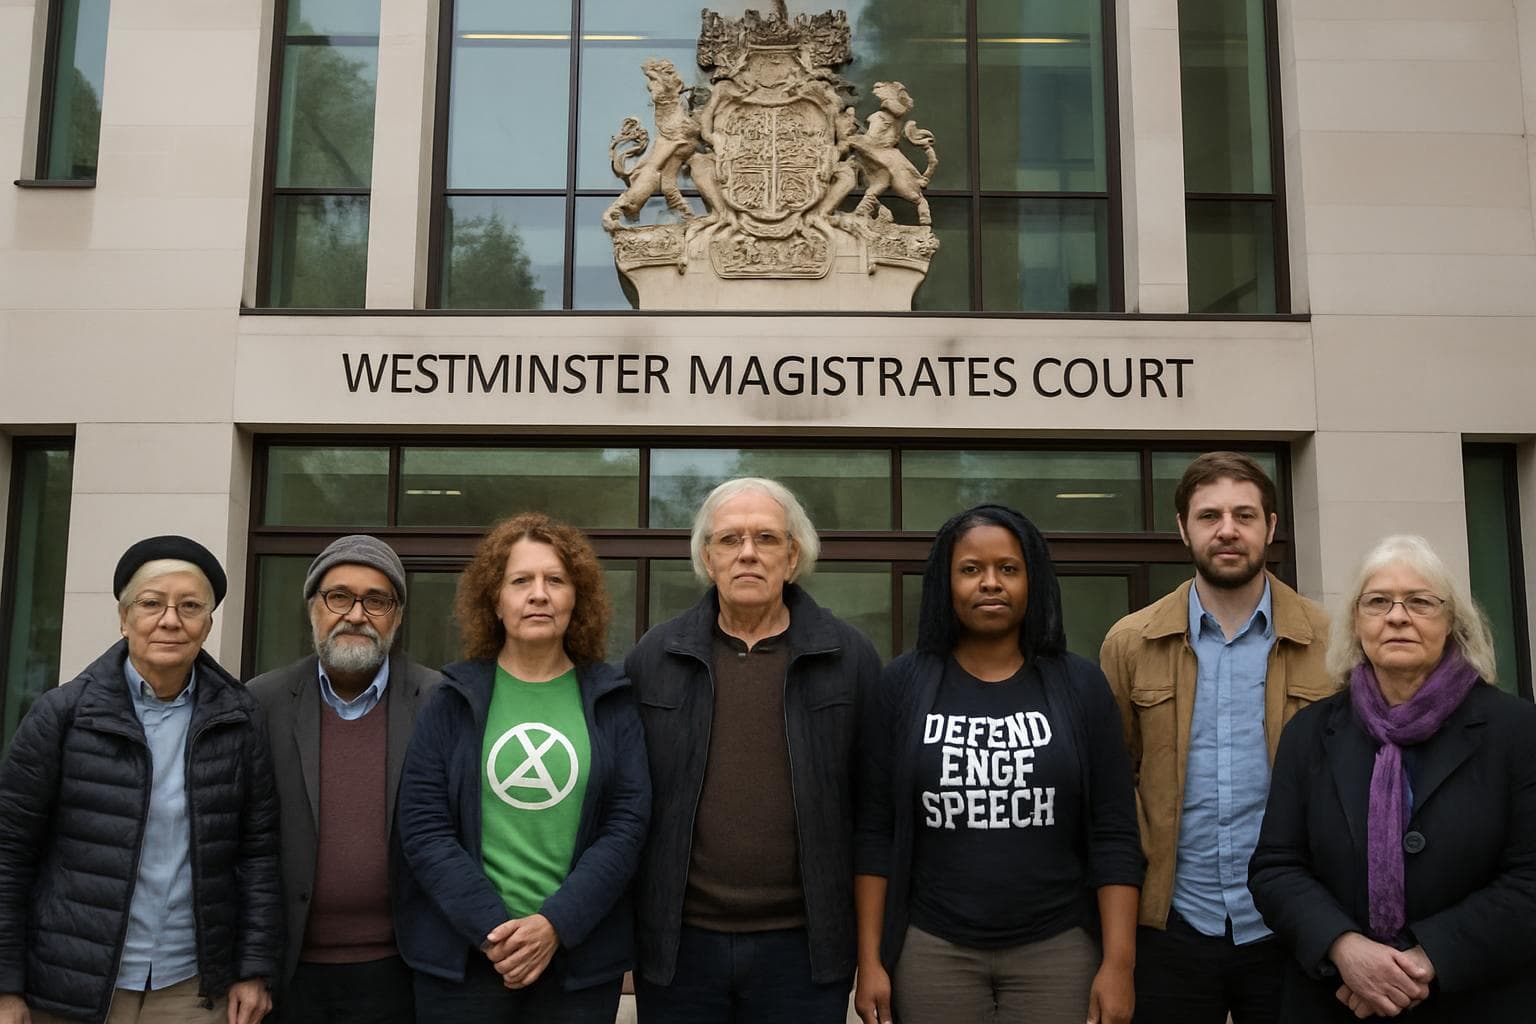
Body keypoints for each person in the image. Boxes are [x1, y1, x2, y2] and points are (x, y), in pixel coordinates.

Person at [853, 504, 1142, 1024]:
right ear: (946, 582)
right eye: (971, 570)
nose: (990, 583)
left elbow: (1115, 833)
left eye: (1008, 568)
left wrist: (1119, 964)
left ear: (1033, 579)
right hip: (933, 947)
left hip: (1058, 948)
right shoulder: (900, 685)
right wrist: (870, 960)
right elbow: (875, 832)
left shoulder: (1080, 685)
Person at [1249, 534, 1536, 1021]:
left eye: (1421, 602)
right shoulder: (1311, 732)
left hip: (1479, 998)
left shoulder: (1517, 731)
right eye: (1378, 601)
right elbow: (1276, 868)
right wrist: (1345, 950)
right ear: (1356, 623)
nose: (1397, 616)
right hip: (1335, 1000)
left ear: (1453, 624)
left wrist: (1425, 960)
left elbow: (1529, 877)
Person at [625, 477, 882, 1022]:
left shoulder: (849, 658)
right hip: (679, 947)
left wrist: (870, 953)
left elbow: (873, 815)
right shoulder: (655, 656)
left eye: (766, 539)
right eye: (730, 540)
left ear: (792, 557)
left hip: (804, 951)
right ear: (707, 558)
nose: (747, 553)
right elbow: (628, 807)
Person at [0, 535, 280, 1024]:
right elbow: (9, 852)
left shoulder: (240, 718)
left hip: (192, 988)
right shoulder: (63, 715)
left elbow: (257, 854)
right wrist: (5, 987)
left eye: (190, 606)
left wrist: (253, 969)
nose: (170, 620)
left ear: (208, 623)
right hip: (71, 986)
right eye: (151, 603)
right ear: (124, 616)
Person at [1099, 451, 1333, 1024]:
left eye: (1244, 515)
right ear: (1183, 528)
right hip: (1173, 924)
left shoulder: (1333, 643)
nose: (1227, 530)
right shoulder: (1130, 643)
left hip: (1294, 926)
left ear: (1271, 527)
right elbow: (1111, 790)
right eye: (1209, 516)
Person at [394, 513, 649, 1023]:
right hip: (466, 963)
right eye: (521, 581)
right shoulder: (450, 700)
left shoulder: (613, 700)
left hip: (577, 965)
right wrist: (497, 932)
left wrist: (553, 925)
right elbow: (423, 828)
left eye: (555, 580)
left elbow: (627, 824)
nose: (539, 594)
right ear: (495, 599)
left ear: (577, 598)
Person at [248, 535, 441, 1024]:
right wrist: (248, 965)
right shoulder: (260, 703)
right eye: (339, 596)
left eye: (377, 600)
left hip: (403, 970)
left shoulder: (438, 701)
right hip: (288, 973)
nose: (356, 614)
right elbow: (239, 843)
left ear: (396, 615)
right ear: (313, 607)